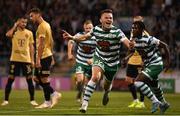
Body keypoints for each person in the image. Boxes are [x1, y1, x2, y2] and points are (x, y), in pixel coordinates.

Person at [63, 9, 131, 113]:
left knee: (106, 85)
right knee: (95, 77)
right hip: (99, 58)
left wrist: (131, 45)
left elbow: (127, 43)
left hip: (112, 63)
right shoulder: (96, 30)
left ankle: (106, 93)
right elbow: (85, 37)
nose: (109, 19)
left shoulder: (117, 32)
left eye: (111, 18)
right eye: (106, 17)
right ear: (101, 20)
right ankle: (84, 104)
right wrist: (72, 37)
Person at [131, 21, 170, 114]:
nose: (133, 30)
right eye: (132, 28)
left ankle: (155, 102)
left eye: (135, 28)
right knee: (155, 86)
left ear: (141, 30)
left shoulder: (149, 39)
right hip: (149, 64)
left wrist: (168, 62)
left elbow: (165, 45)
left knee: (137, 82)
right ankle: (164, 104)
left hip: (156, 64)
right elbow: (142, 53)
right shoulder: (135, 41)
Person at [1, 17, 38, 106]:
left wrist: (32, 60)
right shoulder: (14, 32)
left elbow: (31, 47)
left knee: (29, 80)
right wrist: (14, 26)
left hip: (26, 60)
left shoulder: (29, 33)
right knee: (10, 79)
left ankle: (32, 100)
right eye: (22, 22)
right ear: (18, 22)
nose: (24, 24)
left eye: (25, 22)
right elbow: (8, 35)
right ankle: (6, 100)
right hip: (15, 59)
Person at [28, 8, 61, 108]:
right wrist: (52, 56)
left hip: (43, 56)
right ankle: (51, 97)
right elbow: (51, 41)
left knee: (44, 79)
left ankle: (50, 98)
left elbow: (41, 44)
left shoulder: (42, 27)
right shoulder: (47, 24)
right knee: (36, 79)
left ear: (38, 14)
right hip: (47, 54)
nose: (31, 18)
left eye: (32, 15)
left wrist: (38, 59)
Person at [67, 20, 96, 103]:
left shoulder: (96, 37)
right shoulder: (79, 35)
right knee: (80, 80)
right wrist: (69, 54)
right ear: (84, 28)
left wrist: (93, 59)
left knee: (86, 82)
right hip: (80, 60)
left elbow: (100, 50)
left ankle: (82, 96)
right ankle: (80, 92)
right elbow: (71, 41)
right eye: (86, 28)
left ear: (93, 28)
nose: (88, 29)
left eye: (90, 28)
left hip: (90, 62)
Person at [125, 16, 147, 108]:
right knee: (128, 80)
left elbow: (147, 48)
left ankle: (142, 102)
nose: (135, 24)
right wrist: (127, 57)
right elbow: (131, 47)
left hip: (140, 61)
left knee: (140, 82)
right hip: (132, 60)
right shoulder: (132, 32)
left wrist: (144, 61)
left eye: (137, 22)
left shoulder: (145, 34)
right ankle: (135, 100)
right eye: (134, 22)